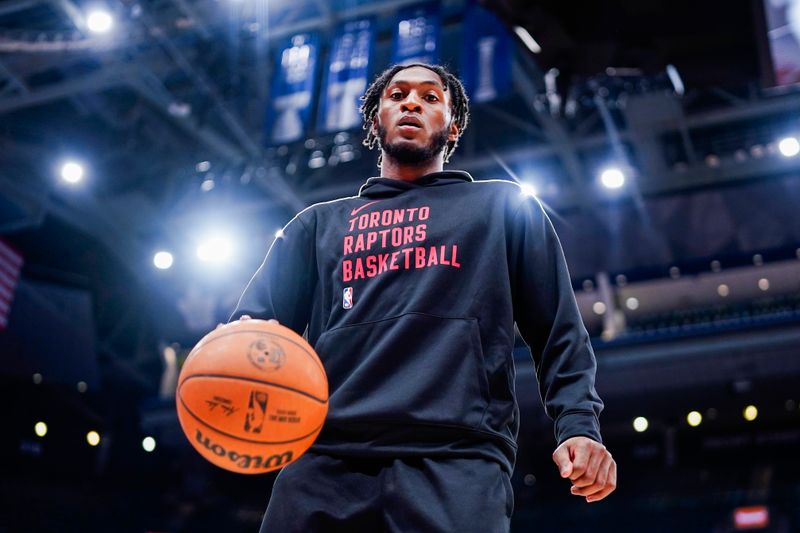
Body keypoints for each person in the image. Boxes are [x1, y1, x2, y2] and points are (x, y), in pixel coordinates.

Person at [232, 63, 616, 532]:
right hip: (324, 459)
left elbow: (559, 332)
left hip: (456, 457)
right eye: (397, 95)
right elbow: (250, 336)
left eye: (431, 98)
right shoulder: (316, 225)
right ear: (376, 119)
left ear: (453, 126)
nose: (412, 103)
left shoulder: (502, 208)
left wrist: (579, 425)